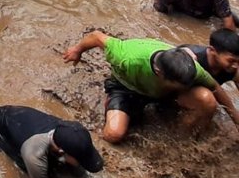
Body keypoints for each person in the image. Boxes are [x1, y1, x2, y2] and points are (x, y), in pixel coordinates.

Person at [63, 30, 239, 143]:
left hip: (164, 94)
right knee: (113, 135)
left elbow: (215, 88)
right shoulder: (126, 55)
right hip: (126, 88)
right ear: (158, 72)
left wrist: (236, 119)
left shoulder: (190, 68)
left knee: (207, 100)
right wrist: (77, 50)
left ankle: (183, 141)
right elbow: (96, 36)